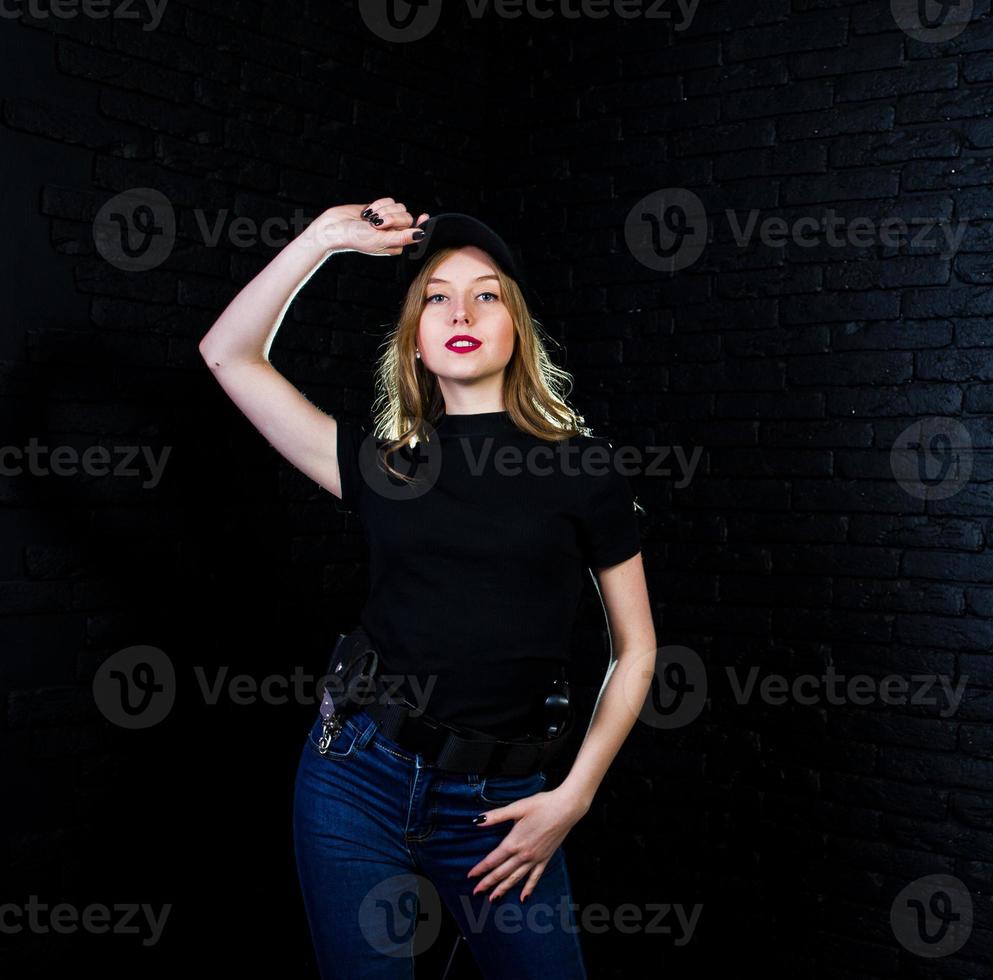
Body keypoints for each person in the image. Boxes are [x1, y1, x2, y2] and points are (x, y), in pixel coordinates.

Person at [197, 199, 657, 978]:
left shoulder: (584, 470)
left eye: (487, 294)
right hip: (356, 780)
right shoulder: (385, 468)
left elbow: (637, 650)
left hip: (499, 805)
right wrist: (323, 241)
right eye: (436, 297)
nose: (461, 310)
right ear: (414, 340)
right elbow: (227, 354)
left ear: (517, 330)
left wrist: (571, 799)